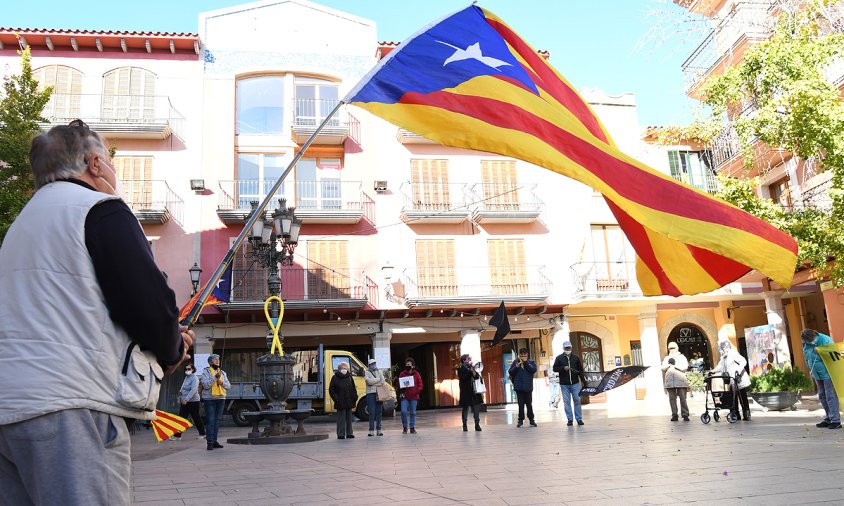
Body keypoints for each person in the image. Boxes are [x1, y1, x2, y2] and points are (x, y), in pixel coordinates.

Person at [0, 120, 192, 505]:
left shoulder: (20, 227)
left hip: (9, 409)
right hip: (71, 406)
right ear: (94, 163)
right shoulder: (100, 210)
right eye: (110, 161)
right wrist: (173, 349)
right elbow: (147, 301)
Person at [802, 329, 841, 429]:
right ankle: (828, 417)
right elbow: (807, 357)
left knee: (830, 396)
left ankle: (835, 420)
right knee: (822, 396)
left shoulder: (825, 340)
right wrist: (810, 369)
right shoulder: (806, 344)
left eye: (810, 340)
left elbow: (835, 354)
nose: (809, 343)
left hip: (828, 373)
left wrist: (821, 352)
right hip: (816, 374)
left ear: (813, 335)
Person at [711, 340, 751, 421]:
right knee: (733, 397)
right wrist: (713, 371)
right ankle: (735, 414)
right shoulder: (723, 356)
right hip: (731, 380)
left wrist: (739, 370)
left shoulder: (732, 353)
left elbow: (743, 361)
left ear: (725, 346)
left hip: (738, 378)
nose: (720, 348)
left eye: (721, 346)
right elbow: (720, 366)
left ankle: (746, 413)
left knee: (742, 396)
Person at [200, 354, 231, 450]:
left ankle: (214, 441)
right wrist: (214, 378)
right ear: (210, 362)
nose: (217, 361)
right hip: (210, 400)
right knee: (211, 420)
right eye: (215, 359)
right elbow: (205, 385)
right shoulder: (206, 371)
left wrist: (221, 382)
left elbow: (228, 386)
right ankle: (209, 442)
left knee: (217, 421)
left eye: (218, 359)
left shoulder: (223, 373)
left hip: (221, 399)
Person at [553, 341, 587, 426]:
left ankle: (579, 419)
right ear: (563, 348)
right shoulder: (559, 358)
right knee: (566, 402)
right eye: (566, 348)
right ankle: (570, 419)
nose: (568, 349)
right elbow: (554, 368)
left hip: (575, 383)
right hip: (564, 384)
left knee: (577, 400)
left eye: (569, 348)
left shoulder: (576, 358)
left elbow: (580, 370)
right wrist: (563, 368)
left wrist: (583, 381)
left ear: (571, 348)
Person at [171, 363, 206, 440]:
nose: (187, 370)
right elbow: (183, 387)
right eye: (186, 369)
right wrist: (180, 394)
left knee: (196, 418)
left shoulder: (195, 378)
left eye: (189, 369)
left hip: (193, 401)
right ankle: (177, 435)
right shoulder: (187, 377)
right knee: (181, 418)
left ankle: (202, 433)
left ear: (193, 369)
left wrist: (186, 399)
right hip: (184, 401)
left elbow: (193, 390)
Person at [509, 348, 538, 427]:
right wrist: (516, 367)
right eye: (521, 355)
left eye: (524, 355)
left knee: (529, 404)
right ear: (519, 355)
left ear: (527, 355)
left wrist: (525, 363)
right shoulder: (516, 362)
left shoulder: (531, 362)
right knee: (520, 405)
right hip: (519, 388)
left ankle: (531, 420)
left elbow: (533, 370)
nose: (523, 356)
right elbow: (510, 372)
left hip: (528, 387)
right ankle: (520, 420)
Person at [661, 342, 690, 421]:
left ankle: (685, 414)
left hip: (681, 381)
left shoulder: (682, 357)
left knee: (683, 399)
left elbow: (685, 367)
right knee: (672, 399)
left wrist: (675, 365)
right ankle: (674, 415)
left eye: (673, 348)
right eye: (670, 348)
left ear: (677, 348)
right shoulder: (667, 358)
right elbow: (663, 368)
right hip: (670, 382)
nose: (672, 350)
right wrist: (668, 364)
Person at [329, 361, 358, 439]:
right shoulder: (335, 377)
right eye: (343, 368)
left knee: (349, 419)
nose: (344, 369)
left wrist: (355, 397)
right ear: (339, 369)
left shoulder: (349, 377)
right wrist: (336, 399)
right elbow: (331, 390)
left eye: (346, 368)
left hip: (349, 401)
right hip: (340, 402)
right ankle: (340, 434)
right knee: (341, 419)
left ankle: (349, 433)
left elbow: (353, 388)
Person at [457, 354, 483, 432]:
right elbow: (463, 378)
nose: (470, 360)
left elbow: (477, 377)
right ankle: (464, 425)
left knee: (476, 409)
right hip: (466, 392)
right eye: (468, 359)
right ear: (464, 360)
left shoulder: (473, 367)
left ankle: (477, 425)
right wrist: (470, 372)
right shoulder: (460, 369)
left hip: (474, 392)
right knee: (465, 408)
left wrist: (474, 371)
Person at [398, 357, 423, 434]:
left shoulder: (416, 374)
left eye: (409, 364)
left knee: (413, 412)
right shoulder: (402, 374)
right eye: (406, 364)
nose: (407, 366)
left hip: (414, 396)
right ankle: (405, 427)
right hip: (405, 396)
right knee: (403, 411)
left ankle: (412, 427)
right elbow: (398, 385)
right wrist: (402, 385)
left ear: (412, 366)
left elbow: (420, 385)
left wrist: (416, 391)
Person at [364, 358, 385, 436]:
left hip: (379, 393)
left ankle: (379, 429)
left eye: (374, 363)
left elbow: (383, 381)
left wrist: (375, 381)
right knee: (371, 412)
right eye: (372, 364)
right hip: (370, 393)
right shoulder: (367, 372)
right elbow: (368, 382)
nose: (373, 365)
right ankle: (371, 430)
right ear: (369, 365)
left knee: (379, 411)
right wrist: (378, 380)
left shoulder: (380, 371)